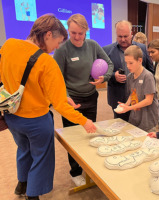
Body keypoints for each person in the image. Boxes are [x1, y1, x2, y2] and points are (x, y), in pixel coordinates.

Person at [0, 14, 96, 200]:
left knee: (23, 149)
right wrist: (84, 121)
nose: (57, 47)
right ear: (48, 35)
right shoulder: (47, 62)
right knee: (41, 157)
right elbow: (60, 105)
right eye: (58, 42)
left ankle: (22, 184)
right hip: (36, 121)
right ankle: (33, 195)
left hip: (11, 115)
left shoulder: (8, 45)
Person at [53, 13, 113, 187]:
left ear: (86, 31)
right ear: (68, 32)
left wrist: (104, 78)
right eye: (73, 33)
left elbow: (109, 64)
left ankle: (88, 167)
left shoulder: (93, 45)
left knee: (89, 134)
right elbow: (57, 78)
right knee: (74, 137)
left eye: (81, 33)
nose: (77, 37)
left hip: (91, 98)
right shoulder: (62, 49)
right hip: (72, 101)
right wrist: (66, 96)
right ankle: (75, 172)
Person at [103, 20, 154, 122]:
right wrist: (113, 76)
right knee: (120, 125)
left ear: (131, 34)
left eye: (125, 36)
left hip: (140, 96)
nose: (122, 39)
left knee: (139, 126)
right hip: (118, 95)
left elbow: (151, 71)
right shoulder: (106, 50)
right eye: (120, 36)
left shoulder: (142, 48)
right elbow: (103, 72)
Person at [116, 45, 158, 132]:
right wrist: (126, 105)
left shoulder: (148, 76)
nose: (127, 66)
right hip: (135, 117)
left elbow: (148, 100)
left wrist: (129, 108)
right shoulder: (130, 76)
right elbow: (132, 94)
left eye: (131, 63)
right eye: (126, 63)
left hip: (147, 119)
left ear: (140, 60)